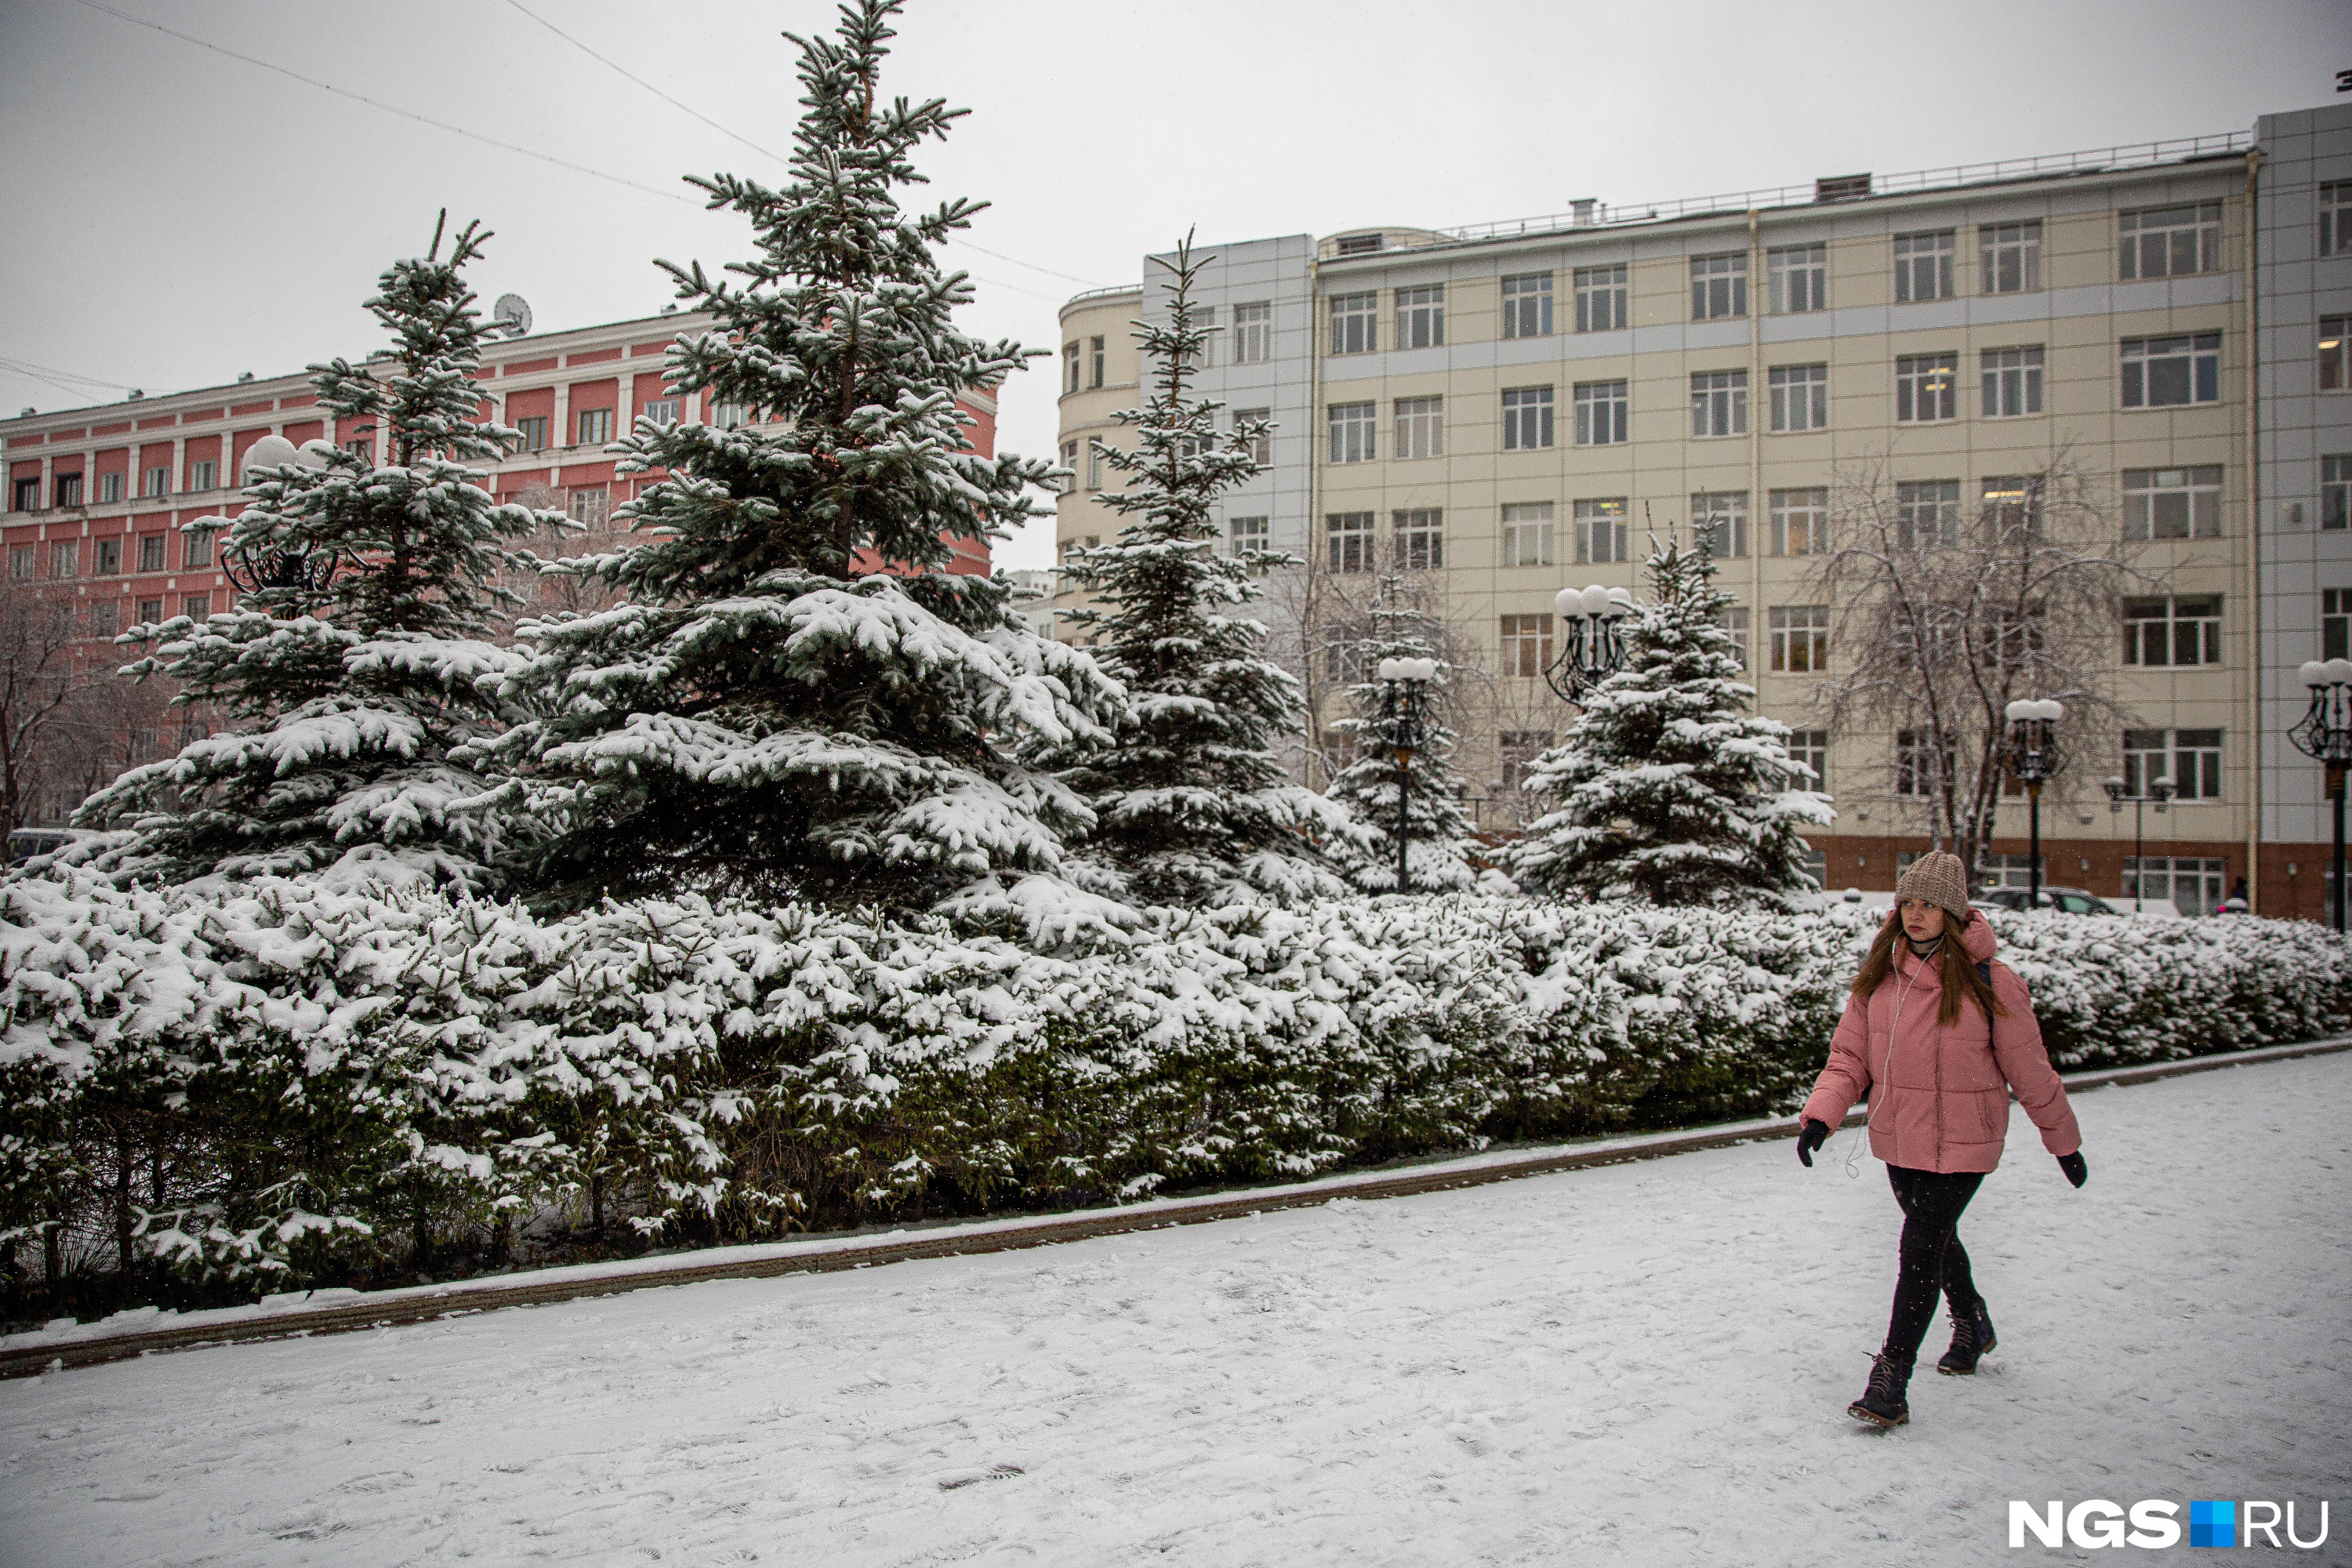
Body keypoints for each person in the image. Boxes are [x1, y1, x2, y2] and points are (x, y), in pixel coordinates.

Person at [1795, 850, 2086, 1428]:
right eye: (1909, 902)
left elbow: (2031, 1070)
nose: (1917, 914)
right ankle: (1972, 1320)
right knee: (1934, 1237)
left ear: (1954, 912)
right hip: (1900, 1134)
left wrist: (2063, 1142)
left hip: (1966, 1141)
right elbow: (1850, 1057)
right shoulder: (1881, 976)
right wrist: (1821, 1118)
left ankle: (1890, 1380)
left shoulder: (1991, 982)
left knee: (1919, 1246)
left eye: (1930, 904)